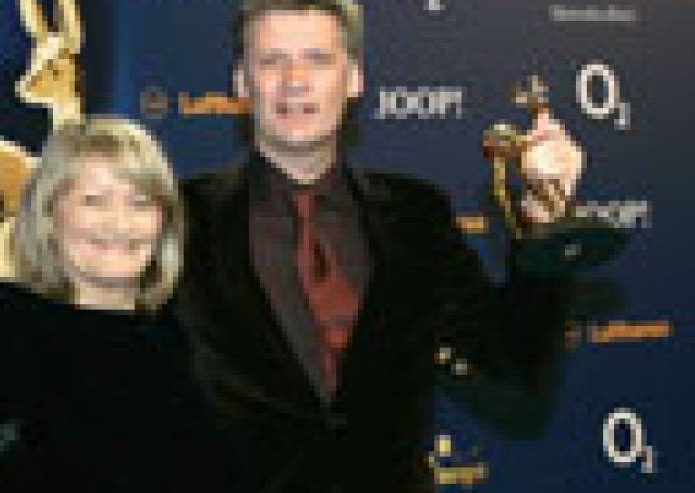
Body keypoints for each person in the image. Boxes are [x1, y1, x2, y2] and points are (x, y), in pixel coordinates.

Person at [170, 0, 584, 491]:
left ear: (354, 79)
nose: (295, 81)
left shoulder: (417, 216)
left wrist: (545, 225)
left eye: (317, 59)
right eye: (272, 60)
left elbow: (513, 359)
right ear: (241, 82)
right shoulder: (177, 220)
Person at [0, 115, 236, 492]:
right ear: (49, 217)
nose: (119, 223)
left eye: (140, 203)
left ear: (165, 222)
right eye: (94, 201)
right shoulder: (11, 329)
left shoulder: (199, 338)